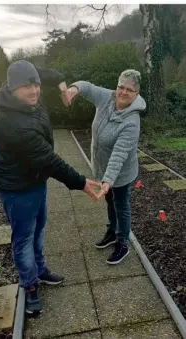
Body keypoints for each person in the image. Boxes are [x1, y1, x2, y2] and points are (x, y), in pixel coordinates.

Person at [0, 60, 99, 315]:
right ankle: (29, 285)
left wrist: (60, 80)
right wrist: (81, 182)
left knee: (38, 230)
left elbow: (40, 73)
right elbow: (49, 161)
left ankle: (39, 269)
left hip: (34, 180)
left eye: (35, 84)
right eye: (27, 87)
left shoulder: (25, 101)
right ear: (12, 88)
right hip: (17, 189)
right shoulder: (12, 124)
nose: (35, 91)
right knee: (24, 239)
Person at [64, 69, 146, 265]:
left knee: (121, 204)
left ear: (136, 93)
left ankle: (123, 243)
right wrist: (74, 89)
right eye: (121, 87)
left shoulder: (132, 122)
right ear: (116, 86)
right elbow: (88, 87)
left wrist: (108, 180)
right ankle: (112, 232)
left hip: (121, 172)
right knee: (109, 201)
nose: (123, 92)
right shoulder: (106, 97)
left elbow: (119, 155)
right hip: (101, 165)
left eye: (130, 90)